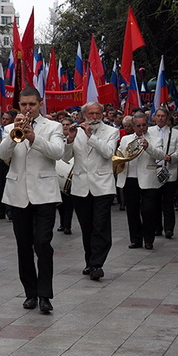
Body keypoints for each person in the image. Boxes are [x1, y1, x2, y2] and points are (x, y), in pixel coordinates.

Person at [0, 87, 65, 314]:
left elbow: (58, 152)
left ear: (40, 104)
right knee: (23, 246)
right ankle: (30, 293)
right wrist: (14, 134)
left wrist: (34, 138)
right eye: (23, 105)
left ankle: (45, 295)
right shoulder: (10, 127)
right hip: (18, 194)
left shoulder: (53, 127)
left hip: (44, 193)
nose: (27, 109)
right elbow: (1, 155)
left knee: (43, 244)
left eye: (32, 105)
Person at [63, 102, 120, 281]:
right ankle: (90, 261)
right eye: (90, 114)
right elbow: (65, 158)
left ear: (102, 115)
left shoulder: (111, 132)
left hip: (102, 185)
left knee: (100, 225)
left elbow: (108, 152)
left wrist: (91, 136)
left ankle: (97, 264)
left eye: (97, 114)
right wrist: (70, 140)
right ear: (84, 115)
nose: (94, 117)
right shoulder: (76, 130)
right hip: (81, 186)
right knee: (86, 227)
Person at [117, 112, 165, 250]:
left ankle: (149, 239)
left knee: (148, 210)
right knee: (132, 211)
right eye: (138, 126)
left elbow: (160, 155)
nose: (142, 128)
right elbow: (120, 154)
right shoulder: (125, 139)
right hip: (130, 178)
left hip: (148, 179)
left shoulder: (155, 139)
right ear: (133, 126)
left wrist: (148, 146)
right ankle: (136, 239)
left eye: (144, 125)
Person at [148, 108, 178, 238]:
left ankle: (169, 228)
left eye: (163, 116)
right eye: (158, 116)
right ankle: (157, 227)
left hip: (169, 171)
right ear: (155, 117)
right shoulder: (150, 132)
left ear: (167, 117)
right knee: (154, 201)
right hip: (153, 170)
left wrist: (172, 157)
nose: (161, 118)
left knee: (168, 202)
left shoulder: (175, 133)